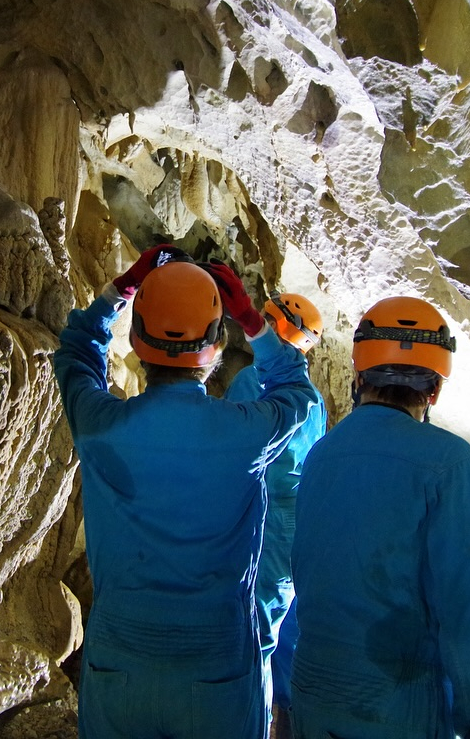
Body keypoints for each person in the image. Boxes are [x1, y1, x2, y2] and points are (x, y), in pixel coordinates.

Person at [53, 245, 319, 739]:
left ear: (135, 341)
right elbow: (295, 390)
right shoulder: (246, 434)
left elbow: (74, 350)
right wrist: (251, 320)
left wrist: (124, 286)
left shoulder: (100, 426)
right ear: (217, 346)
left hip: (119, 663)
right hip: (216, 668)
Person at [290, 296, 470, 739]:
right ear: (435, 389)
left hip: (312, 694)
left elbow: (303, 582)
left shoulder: (322, 454)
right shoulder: (450, 463)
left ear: (358, 377)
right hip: (398, 706)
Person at [223, 292, 327, 736]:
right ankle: (290, 723)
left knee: (257, 635)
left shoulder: (251, 381)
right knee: (290, 634)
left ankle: (254, 725)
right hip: (300, 524)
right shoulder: (315, 399)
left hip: (263, 518)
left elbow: (230, 451)